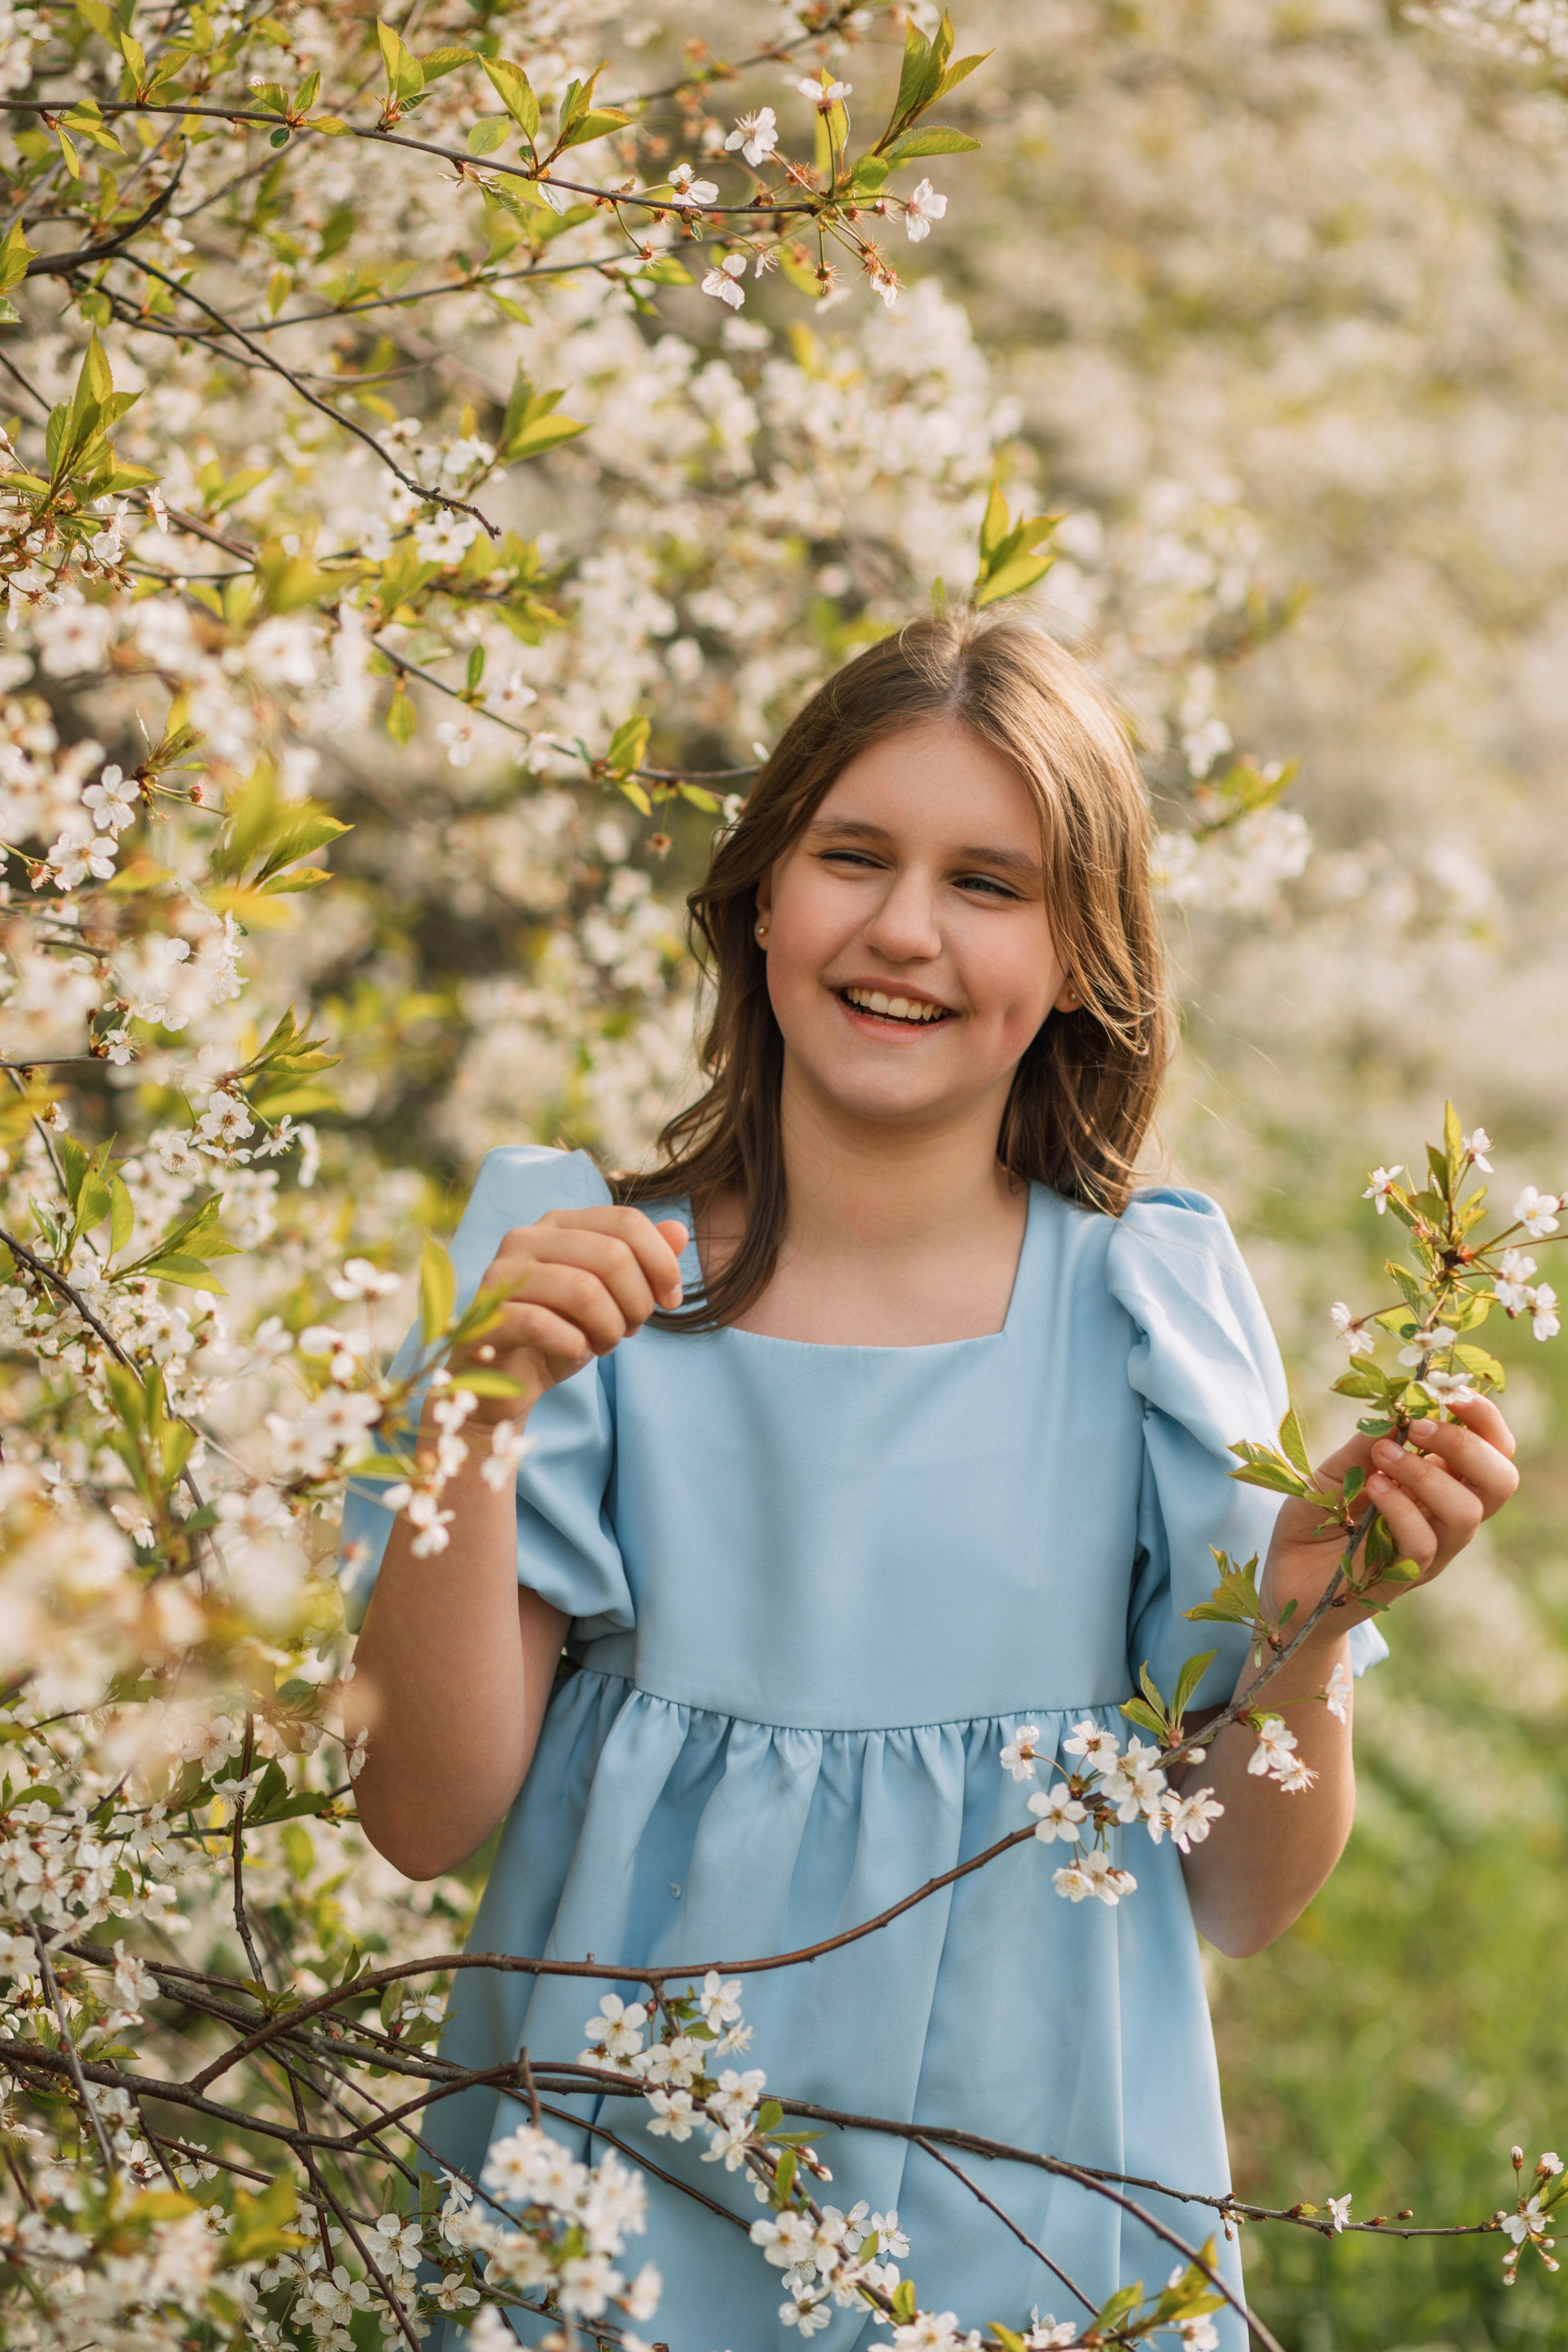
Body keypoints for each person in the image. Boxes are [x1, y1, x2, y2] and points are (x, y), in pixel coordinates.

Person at [340, 612, 1518, 2351]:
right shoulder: (582, 1287)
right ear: (761, 897)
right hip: (619, 2205)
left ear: (1082, 959)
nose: (904, 928)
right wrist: (475, 1416)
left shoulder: (1145, 1315)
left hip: (1032, 2214)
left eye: (989, 884)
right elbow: (421, 1815)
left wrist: (1309, 1621)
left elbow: (1248, 1896)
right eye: (853, 856)